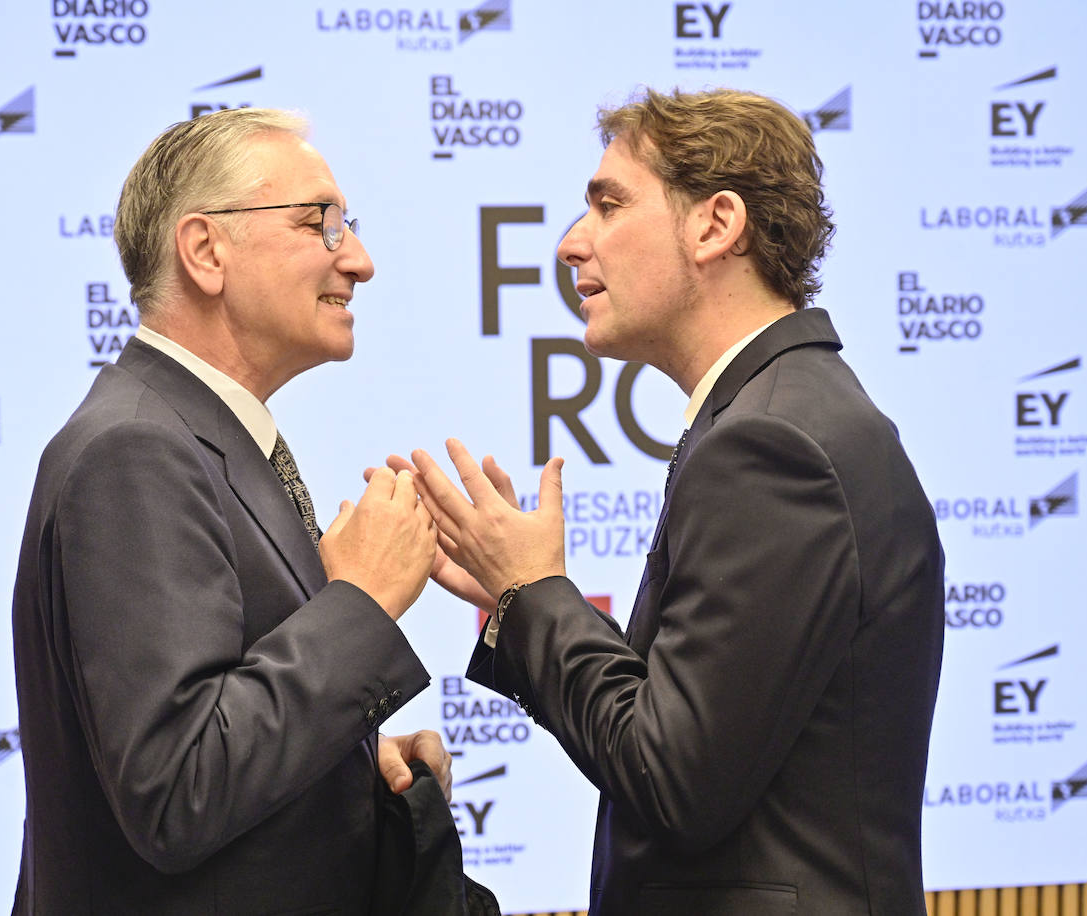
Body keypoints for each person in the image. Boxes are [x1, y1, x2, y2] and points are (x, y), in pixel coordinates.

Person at [405, 88, 945, 914]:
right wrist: (521, 600)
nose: (569, 244)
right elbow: (691, 725)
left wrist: (537, 595)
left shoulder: (771, 445)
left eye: (608, 204)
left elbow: (672, 776)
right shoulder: (779, 412)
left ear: (715, 225)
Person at [10, 108, 449, 915]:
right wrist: (361, 603)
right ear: (207, 251)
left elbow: (209, 743)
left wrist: (355, 769)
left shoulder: (188, 435)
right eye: (320, 223)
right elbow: (177, 789)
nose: (359, 259)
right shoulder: (137, 450)